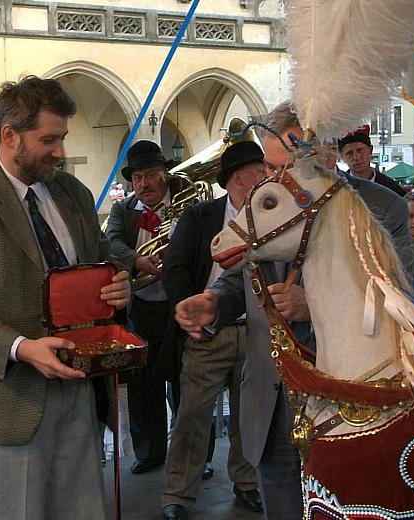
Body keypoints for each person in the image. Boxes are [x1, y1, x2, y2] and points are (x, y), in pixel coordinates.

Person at [174, 101, 412, 519]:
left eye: (284, 167)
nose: (272, 178)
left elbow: (403, 297)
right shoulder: (263, 199)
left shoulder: (383, 207)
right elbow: (246, 272)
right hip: (272, 396)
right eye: (267, 167)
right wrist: (215, 301)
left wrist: (313, 304)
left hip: (351, 397)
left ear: (326, 155)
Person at [0, 76, 131, 520]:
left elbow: (101, 261)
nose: (60, 151)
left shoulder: (73, 193)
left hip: (78, 393)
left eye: (63, 138)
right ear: (9, 134)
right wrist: (22, 348)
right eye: (48, 140)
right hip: (2, 399)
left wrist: (118, 284)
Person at [160, 141, 267, 520]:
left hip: (255, 332)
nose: (267, 177)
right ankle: (177, 493)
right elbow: (173, 268)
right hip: (208, 334)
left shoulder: (271, 218)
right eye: (260, 171)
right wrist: (193, 314)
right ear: (239, 177)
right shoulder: (199, 216)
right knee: (192, 415)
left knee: (248, 416)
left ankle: (247, 482)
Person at [105, 140, 180, 474]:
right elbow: (111, 242)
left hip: (179, 303)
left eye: (150, 175)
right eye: (137, 178)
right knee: (142, 384)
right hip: (142, 305)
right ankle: (149, 452)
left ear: (164, 174)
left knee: (186, 383)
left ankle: (194, 456)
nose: (144, 184)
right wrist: (137, 260)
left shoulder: (185, 203)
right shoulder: (123, 210)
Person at [338, 125, 407, 196]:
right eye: (349, 153)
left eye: (360, 150)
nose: (356, 157)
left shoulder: (391, 188)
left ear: (370, 150)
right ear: (342, 156)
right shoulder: (338, 188)